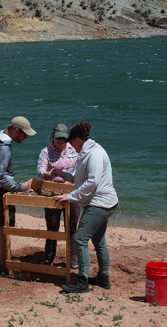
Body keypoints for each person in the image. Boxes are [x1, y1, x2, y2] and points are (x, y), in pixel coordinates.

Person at [54, 122, 118, 293]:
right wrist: (61, 174)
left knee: (80, 238)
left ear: (77, 139)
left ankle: (82, 282)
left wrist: (70, 196)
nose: (69, 146)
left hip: (100, 203)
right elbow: (79, 178)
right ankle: (103, 279)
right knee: (98, 241)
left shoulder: (95, 153)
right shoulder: (87, 152)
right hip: (101, 202)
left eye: (71, 142)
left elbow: (93, 181)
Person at [0, 116, 35, 272]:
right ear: (16, 131)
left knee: (0, 226)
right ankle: (3, 265)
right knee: (4, 228)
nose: (25, 138)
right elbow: (0, 175)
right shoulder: (4, 148)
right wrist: (19, 187)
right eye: (24, 135)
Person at [36, 123, 79, 268]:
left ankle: (73, 257)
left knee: (72, 226)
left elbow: (80, 168)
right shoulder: (46, 152)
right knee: (52, 226)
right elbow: (40, 170)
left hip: (72, 191)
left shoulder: (74, 150)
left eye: (63, 138)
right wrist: (46, 174)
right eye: (58, 137)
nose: (61, 140)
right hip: (53, 191)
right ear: (52, 137)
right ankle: (49, 257)